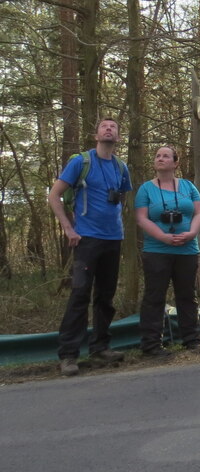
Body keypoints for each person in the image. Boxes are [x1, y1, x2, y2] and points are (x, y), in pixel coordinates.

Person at [48, 118, 133, 376]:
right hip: (86, 240)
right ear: (96, 134)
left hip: (113, 239)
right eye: (104, 126)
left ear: (118, 136)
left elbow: (122, 197)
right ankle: (69, 355)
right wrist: (68, 227)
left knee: (105, 297)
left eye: (114, 127)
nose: (109, 129)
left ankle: (100, 348)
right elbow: (54, 195)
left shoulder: (121, 167)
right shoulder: (81, 162)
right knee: (79, 295)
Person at [134, 146, 200, 356]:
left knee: (187, 295)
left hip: (187, 249)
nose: (161, 158)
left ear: (175, 163)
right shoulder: (146, 189)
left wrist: (192, 233)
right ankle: (151, 345)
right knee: (154, 296)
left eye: (166, 156)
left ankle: (192, 340)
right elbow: (141, 218)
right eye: (157, 156)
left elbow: (199, 213)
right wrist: (162, 237)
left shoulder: (188, 186)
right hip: (156, 250)